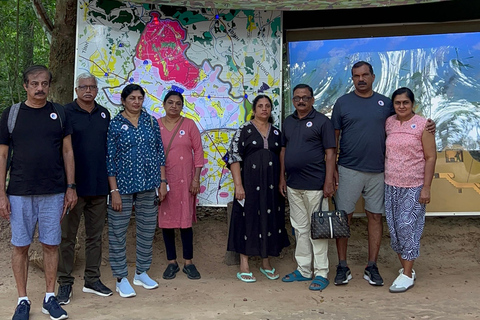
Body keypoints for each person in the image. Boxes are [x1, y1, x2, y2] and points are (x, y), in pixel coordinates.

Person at [331, 61, 435, 287]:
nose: (361, 79)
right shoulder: (342, 103)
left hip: (379, 172)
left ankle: (372, 266)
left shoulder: (386, 104)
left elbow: (406, 119)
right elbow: (334, 138)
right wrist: (332, 171)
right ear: (352, 78)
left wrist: (429, 124)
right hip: (348, 169)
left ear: (373, 77)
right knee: (343, 218)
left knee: (375, 217)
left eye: (365, 75)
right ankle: (342, 265)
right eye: (356, 75)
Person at [0, 65, 77, 320]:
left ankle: (49, 297)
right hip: (20, 192)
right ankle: (22, 300)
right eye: (34, 83)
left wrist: (70, 187)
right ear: (25, 86)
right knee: (20, 246)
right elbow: (2, 155)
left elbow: (67, 151)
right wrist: (1, 193)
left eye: (44, 83)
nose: (40, 88)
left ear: (49, 85)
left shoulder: (59, 113)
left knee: (51, 244)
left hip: (53, 192)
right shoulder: (11, 115)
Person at [56, 73, 112, 305]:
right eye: (83, 87)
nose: (88, 90)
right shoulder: (65, 113)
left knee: (95, 237)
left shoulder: (104, 114)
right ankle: (65, 283)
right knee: (67, 237)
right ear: (77, 90)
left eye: (92, 87)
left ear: (97, 90)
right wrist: (68, 185)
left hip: (99, 187)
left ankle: (92, 279)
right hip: (72, 188)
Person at [106, 84, 166, 298]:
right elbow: (109, 159)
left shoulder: (150, 122)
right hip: (121, 188)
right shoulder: (115, 124)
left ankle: (141, 272)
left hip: (149, 186)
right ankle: (121, 278)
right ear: (123, 101)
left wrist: (162, 181)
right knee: (117, 233)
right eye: (132, 98)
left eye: (140, 98)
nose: (136, 102)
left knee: (147, 230)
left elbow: (160, 152)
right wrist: (113, 190)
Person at [226, 94, 290, 283]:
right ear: (253, 110)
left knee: (270, 219)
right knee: (248, 220)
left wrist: (281, 181)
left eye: (268, 106)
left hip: (271, 186)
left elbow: (281, 158)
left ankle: (266, 262)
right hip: (249, 186)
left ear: (271, 110)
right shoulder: (244, 130)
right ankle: (244, 264)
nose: (264, 109)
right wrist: (238, 185)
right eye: (260, 106)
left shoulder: (277, 133)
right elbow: (233, 158)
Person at [279, 84, 336, 291]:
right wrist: (282, 178)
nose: (301, 101)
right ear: (293, 101)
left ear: (312, 100)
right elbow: (283, 151)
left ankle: (321, 272)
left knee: (317, 230)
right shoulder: (288, 121)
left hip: (315, 186)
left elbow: (330, 154)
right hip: (293, 185)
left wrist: (328, 181)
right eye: (297, 98)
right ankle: (303, 270)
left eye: (305, 98)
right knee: (300, 229)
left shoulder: (323, 122)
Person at [385, 87, 436, 293]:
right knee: (396, 230)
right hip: (390, 185)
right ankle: (407, 269)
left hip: (414, 186)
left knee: (408, 227)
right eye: (398, 103)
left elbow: (431, 157)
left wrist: (427, 187)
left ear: (412, 104)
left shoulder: (424, 125)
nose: (402, 106)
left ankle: (406, 275)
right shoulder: (389, 123)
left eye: (405, 102)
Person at [157, 91, 204, 280]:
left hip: (185, 181)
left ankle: (188, 262)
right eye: (170, 102)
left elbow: (198, 153)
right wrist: (159, 181)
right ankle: (171, 262)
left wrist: (196, 179)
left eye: (178, 103)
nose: (174, 106)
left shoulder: (189, 125)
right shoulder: (156, 125)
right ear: (164, 104)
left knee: (185, 222)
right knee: (166, 222)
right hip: (163, 181)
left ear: (182, 106)